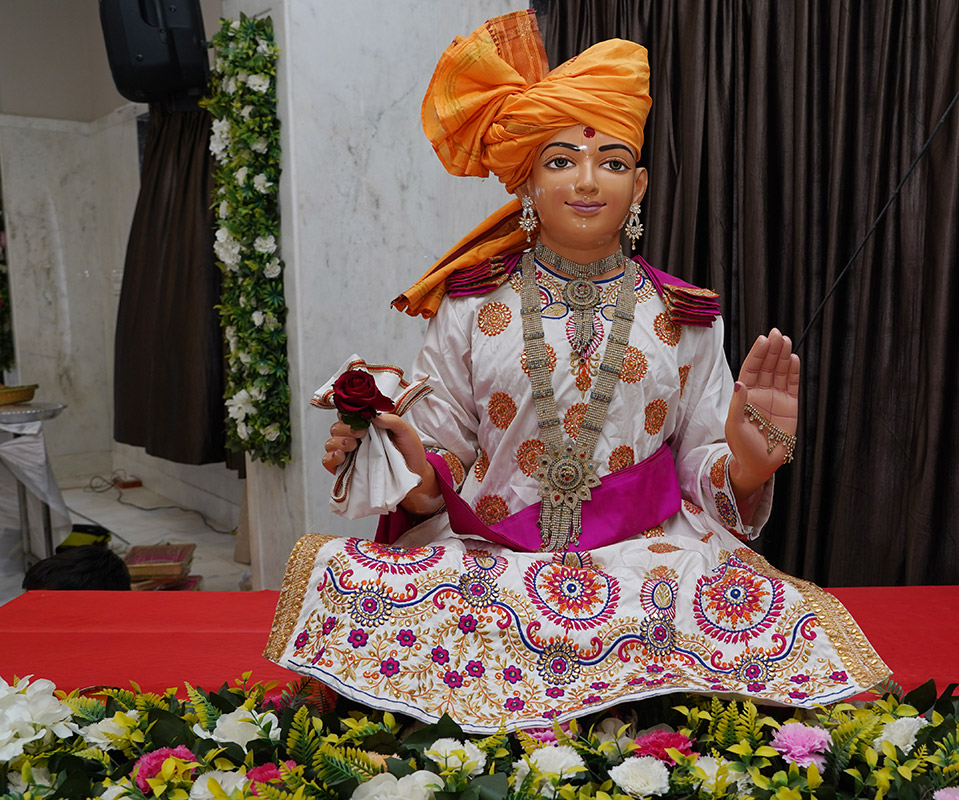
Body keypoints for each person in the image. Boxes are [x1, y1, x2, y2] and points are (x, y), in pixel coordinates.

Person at [265, 10, 887, 733]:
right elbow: (444, 462)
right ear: (527, 181)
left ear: (640, 184)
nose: (588, 181)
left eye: (612, 162)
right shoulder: (469, 306)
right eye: (562, 161)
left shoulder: (685, 315)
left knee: (723, 597)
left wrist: (749, 465)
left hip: (644, 555)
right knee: (365, 580)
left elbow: (701, 469)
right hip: (495, 551)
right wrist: (406, 460)